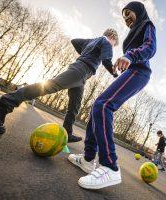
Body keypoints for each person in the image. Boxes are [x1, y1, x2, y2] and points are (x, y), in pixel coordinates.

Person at [68, 1, 157, 189]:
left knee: (103, 105)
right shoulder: (133, 32)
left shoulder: (147, 25)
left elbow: (150, 47)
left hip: (140, 72)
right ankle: (88, 159)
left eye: (129, 12)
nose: (126, 17)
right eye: (123, 15)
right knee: (97, 106)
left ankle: (110, 166)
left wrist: (130, 56)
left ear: (139, 11)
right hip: (131, 72)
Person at [0, 28, 119, 143]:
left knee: (75, 104)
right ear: (112, 37)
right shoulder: (106, 40)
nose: (112, 46)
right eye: (114, 44)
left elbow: (75, 41)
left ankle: (67, 132)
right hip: (81, 70)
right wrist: (113, 71)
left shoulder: (94, 40)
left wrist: (85, 53)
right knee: (48, 86)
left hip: (82, 73)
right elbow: (107, 59)